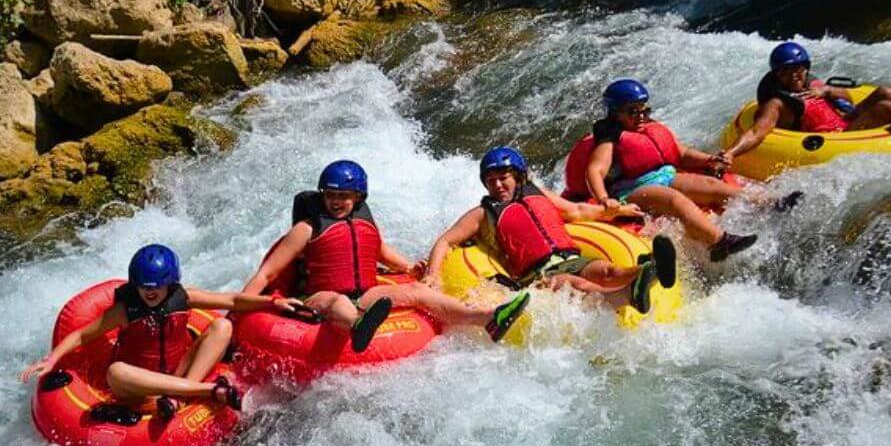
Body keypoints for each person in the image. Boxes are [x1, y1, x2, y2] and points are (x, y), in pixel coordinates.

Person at [242, 160, 531, 343]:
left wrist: (407, 268)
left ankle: (488, 318)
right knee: (335, 301)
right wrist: (241, 307)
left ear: (358, 198)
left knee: (418, 292)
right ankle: (358, 327)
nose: (336, 202)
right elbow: (268, 272)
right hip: (318, 297)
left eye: (343, 196)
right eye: (330, 196)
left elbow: (379, 250)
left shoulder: (363, 223)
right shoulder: (307, 228)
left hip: (364, 294)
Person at [20, 244, 298, 420]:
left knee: (223, 325)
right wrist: (53, 358)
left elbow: (233, 301)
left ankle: (178, 397)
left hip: (177, 374)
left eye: (156, 287)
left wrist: (273, 302)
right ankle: (207, 391)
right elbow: (82, 336)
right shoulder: (125, 310)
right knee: (116, 371)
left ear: (170, 283)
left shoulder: (184, 297)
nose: (150, 292)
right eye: (144, 287)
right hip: (136, 389)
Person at [423, 147, 678, 315]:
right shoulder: (482, 214)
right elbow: (446, 240)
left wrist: (613, 211)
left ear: (519, 177)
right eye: (491, 181)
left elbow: (576, 211)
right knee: (572, 284)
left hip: (569, 257)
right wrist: (433, 275)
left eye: (504, 178)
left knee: (607, 270)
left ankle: (648, 270)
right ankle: (628, 293)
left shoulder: (538, 193)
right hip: (537, 275)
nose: (498, 185)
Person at [564, 79, 779, 262]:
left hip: (663, 175)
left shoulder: (647, 126)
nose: (640, 116)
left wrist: (709, 160)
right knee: (675, 200)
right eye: (633, 111)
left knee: (712, 186)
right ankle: (718, 242)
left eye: (644, 110)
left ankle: (770, 204)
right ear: (615, 113)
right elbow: (595, 170)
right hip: (631, 188)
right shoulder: (608, 136)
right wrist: (604, 199)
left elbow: (681, 153)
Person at [721, 41, 891, 162]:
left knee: (883, 92)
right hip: (840, 136)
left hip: (846, 121)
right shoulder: (777, 103)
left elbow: (848, 97)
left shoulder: (813, 84)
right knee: (883, 108)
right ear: (778, 74)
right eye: (788, 71)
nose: (796, 75)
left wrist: (827, 91)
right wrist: (730, 153)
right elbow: (757, 132)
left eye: (800, 69)